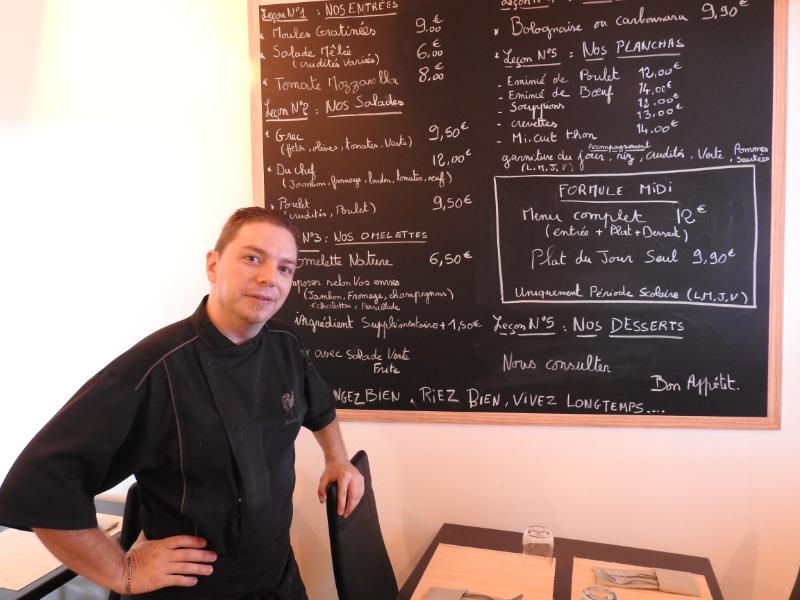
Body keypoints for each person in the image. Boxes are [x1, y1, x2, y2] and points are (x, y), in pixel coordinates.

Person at [0, 207, 364, 599]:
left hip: (278, 576)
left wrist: (338, 459)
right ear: (213, 265)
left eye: (285, 268)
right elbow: (38, 482)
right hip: (193, 587)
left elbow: (319, 406)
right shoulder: (155, 368)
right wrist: (121, 570)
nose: (268, 278)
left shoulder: (285, 344)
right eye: (252, 258)